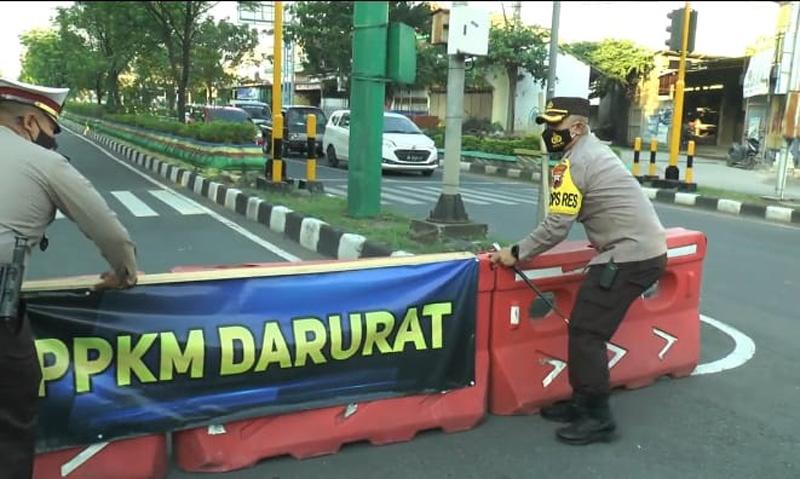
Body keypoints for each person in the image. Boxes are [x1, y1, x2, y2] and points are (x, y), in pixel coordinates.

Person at [490, 97, 668, 446]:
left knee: (587, 333)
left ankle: (598, 418)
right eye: (545, 125)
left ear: (578, 127)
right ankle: (582, 401)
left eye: (554, 126)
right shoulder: (592, 152)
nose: (547, 133)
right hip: (638, 252)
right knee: (586, 330)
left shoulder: (572, 164)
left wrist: (516, 253)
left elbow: (557, 225)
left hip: (629, 257)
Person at [0, 78, 139, 478]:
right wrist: (123, 274)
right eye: (50, 130)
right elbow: (109, 231)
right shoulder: (42, 163)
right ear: (29, 123)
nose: (52, 140)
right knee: (9, 425)